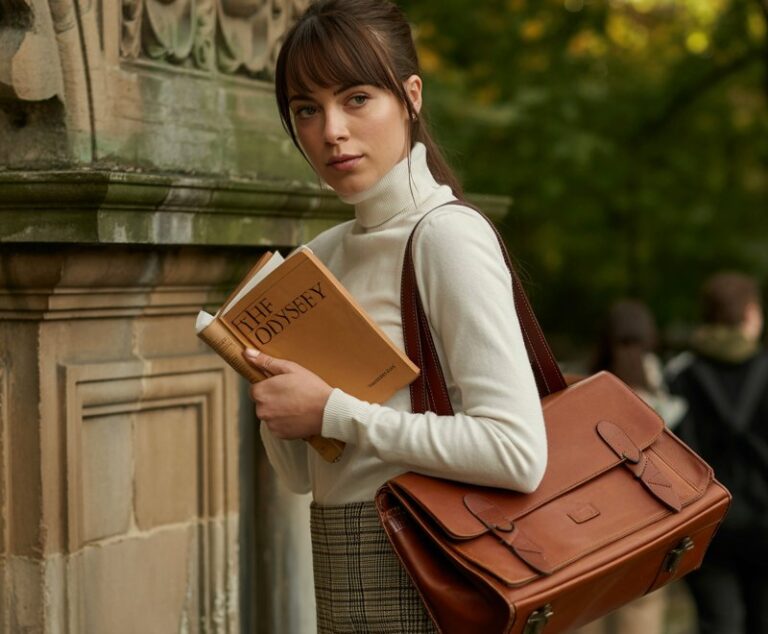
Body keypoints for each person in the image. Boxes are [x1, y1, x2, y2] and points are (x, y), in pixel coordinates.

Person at [240, 1, 548, 632]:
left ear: (410, 97)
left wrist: (332, 410)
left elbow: (517, 452)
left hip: (429, 570)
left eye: (356, 99)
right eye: (306, 109)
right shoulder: (319, 260)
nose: (331, 130)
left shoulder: (445, 236)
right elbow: (301, 475)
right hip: (342, 563)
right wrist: (276, 395)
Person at [574, 299, 687, 634]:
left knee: (586, 610)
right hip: (648, 522)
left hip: (590, 526)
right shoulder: (662, 396)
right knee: (642, 606)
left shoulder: (581, 387)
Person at [666, 272, 768, 634]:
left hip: (707, 519)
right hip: (765, 517)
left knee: (717, 621)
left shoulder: (680, 374)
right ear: (751, 313)